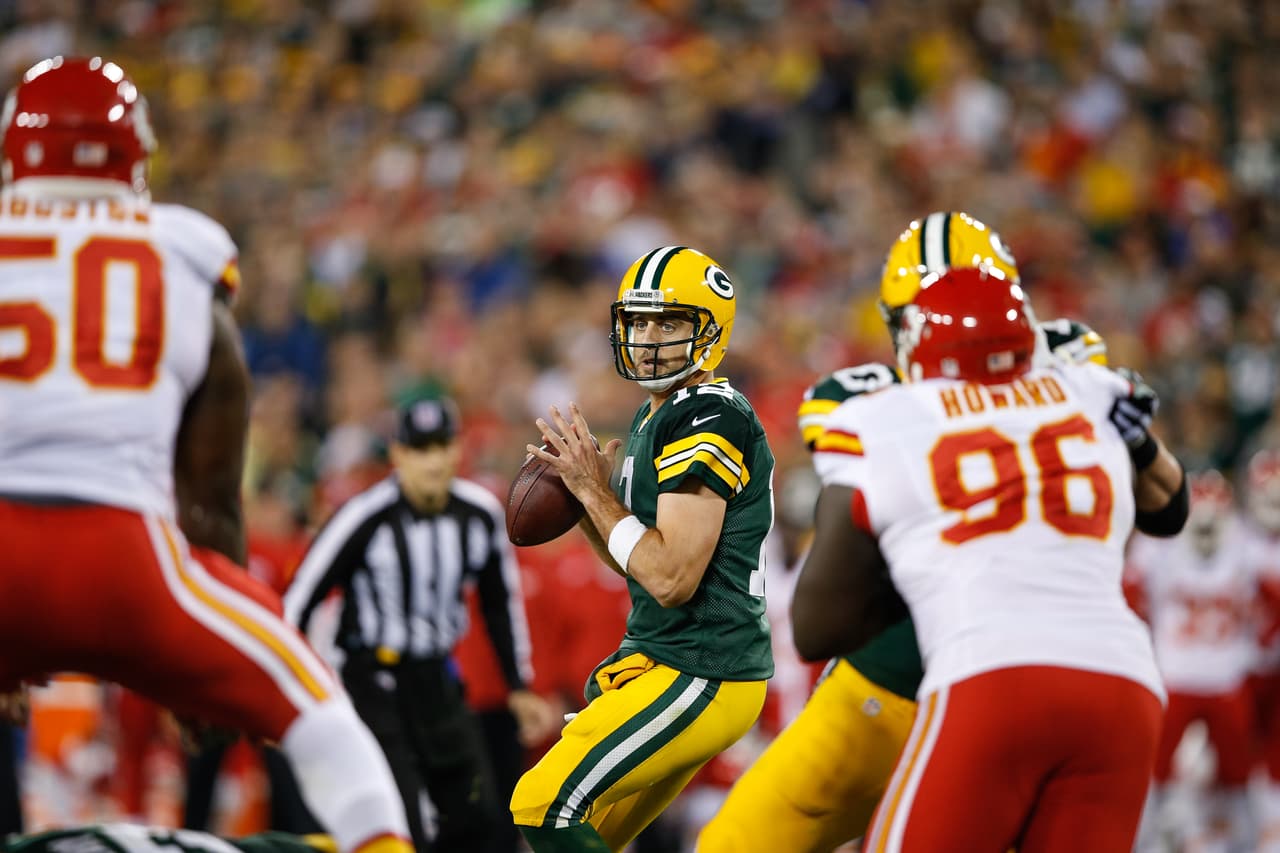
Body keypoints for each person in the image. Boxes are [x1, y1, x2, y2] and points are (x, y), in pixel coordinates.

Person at [0, 57, 409, 853]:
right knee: (321, 715)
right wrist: (201, 674)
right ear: (135, 158)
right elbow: (213, 498)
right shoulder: (183, 255)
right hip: (129, 560)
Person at [699, 210, 1113, 853]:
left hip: (973, 685)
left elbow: (818, 622)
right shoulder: (1073, 379)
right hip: (924, 682)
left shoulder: (872, 405)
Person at [790, 266, 1188, 852]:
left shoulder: (885, 418)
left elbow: (814, 628)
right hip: (1124, 683)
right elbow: (1172, 509)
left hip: (993, 674)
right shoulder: (1091, 389)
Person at [510, 246, 775, 852]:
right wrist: (589, 506)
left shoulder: (708, 413)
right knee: (589, 831)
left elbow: (670, 578)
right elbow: (637, 559)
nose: (649, 337)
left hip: (702, 666)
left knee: (542, 803)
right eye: (639, 322)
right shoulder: (660, 414)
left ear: (709, 329)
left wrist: (595, 497)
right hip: (675, 659)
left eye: (670, 322)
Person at [284, 396, 558, 852]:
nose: (432, 462)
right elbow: (298, 601)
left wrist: (518, 685)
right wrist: (293, 688)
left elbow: (498, 603)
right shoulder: (364, 516)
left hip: (438, 678)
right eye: (419, 450)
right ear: (398, 456)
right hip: (374, 681)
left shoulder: (479, 515)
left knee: (478, 818)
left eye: (440, 447)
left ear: (457, 450)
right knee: (401, 818)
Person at [1126, 470, 1258, 851]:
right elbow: (1131, 597)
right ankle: (1147, 840)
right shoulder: (1158, 552)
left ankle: (1243, 839)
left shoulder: (1246, 547)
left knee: (1237, 776)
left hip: (1226, 677)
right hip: (1175, 677)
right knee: (1156, 771)